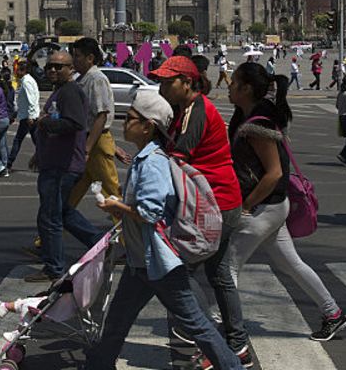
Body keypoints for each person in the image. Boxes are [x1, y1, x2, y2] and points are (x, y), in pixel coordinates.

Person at [83, 90, 244, 370]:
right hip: (140, 261)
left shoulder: (153, 162)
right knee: (117, 321)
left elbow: (149, 213)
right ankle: (99, 364)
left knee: (198, 325)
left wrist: (116, 207)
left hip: (159, 263)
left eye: (131, 118)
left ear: (148, 126)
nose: (124, 122)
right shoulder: (145, 157)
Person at [227, 64, 346, 342]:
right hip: (272, 208)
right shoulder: (246, 117)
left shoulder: (258, 125)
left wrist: (247, 205)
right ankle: (333, 313)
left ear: (247, 88)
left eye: (234, 82)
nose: (229, 86)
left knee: (228, 268)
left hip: (264, 208)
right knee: (291, 264)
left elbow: (274, 174)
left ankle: (219, 328)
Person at [148, 55, 246, 361]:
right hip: (218, 201)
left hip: (213, 204)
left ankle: (200, 343)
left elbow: (179, 158)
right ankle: (237, 345)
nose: (161, 87)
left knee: (179, 273)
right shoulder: (186, 108)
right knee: (218, 275)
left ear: (187, 83)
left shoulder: (198, 111)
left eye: (167, 82)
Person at [25, 51, 103, 283]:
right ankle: (101, 244)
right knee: (64, 213)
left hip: (62, 166)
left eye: (59, 67)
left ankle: (54, 267)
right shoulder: (62, 91)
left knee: (50, 217)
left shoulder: (70, 91)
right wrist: (40, 153)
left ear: (71, 69)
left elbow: (74, 123)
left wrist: (44, 122)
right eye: (50, 66)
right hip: (55, 162)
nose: (53, 70)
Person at [67, 37, 128, 211]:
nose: (74, 60)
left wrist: (88, 149)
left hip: (93, 143)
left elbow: (101, 116)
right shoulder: (83, 79)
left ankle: (127, 235)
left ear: (90, 58)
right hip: (90, 141)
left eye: (77, 56)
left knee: (111, 193)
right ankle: (52, 233)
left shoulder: (96, 79)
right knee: (72, 192)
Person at [6, 58, 40, 174]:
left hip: (28, 117)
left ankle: (9, 163)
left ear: (23, 70)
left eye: (18, 70)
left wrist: (30, 116)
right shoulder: (27, 80)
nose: (16, 73)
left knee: (18, 140)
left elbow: (32, 100)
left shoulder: (26, 82)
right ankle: (43, 163)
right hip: (28, 115)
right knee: (37, 141)